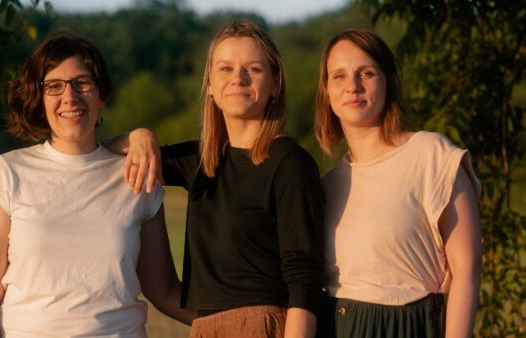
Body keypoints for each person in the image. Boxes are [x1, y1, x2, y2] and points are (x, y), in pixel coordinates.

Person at [0, 32, 194, 338]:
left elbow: (164, 291)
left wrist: (241, 324)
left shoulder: (136, 176)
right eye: (54, 86)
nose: (70, 97)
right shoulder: (7, 174)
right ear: (39, 98)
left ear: (101, 94)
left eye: (82, 83)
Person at [108, 20, 325, 338]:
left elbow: (304, 276)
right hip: (206, 328)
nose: (238, 78)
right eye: (225, 69)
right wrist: (138, 136)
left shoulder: (289, 163)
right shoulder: (199, 161)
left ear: (276, 84)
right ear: (209, 83)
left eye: (253, 68)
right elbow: (105, 157)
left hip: (266, 325)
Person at [313, 28, 481, 338]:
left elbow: (467, 269)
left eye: (366, 73)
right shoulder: (323, 188)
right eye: (339, 76)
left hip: (410, 326)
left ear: (388, 82)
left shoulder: (432, 155)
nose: (353, 86)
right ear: (326, 92)